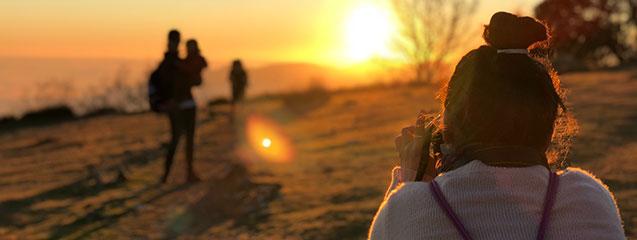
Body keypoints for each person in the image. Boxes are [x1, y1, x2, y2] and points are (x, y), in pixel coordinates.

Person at [368, 12, 624, 239]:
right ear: (549, 129)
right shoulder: (589, 198)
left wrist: (411, 181)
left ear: (450, 128)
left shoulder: (405, 209)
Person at [158, 30, 202, 183]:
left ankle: (169, 175)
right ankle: (174, 174)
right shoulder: (176, 63)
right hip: (182, 106)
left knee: (179, 140)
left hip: (180, 106)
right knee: (182, 140)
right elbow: (197, 79)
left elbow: (197, 78)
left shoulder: (171, 63)